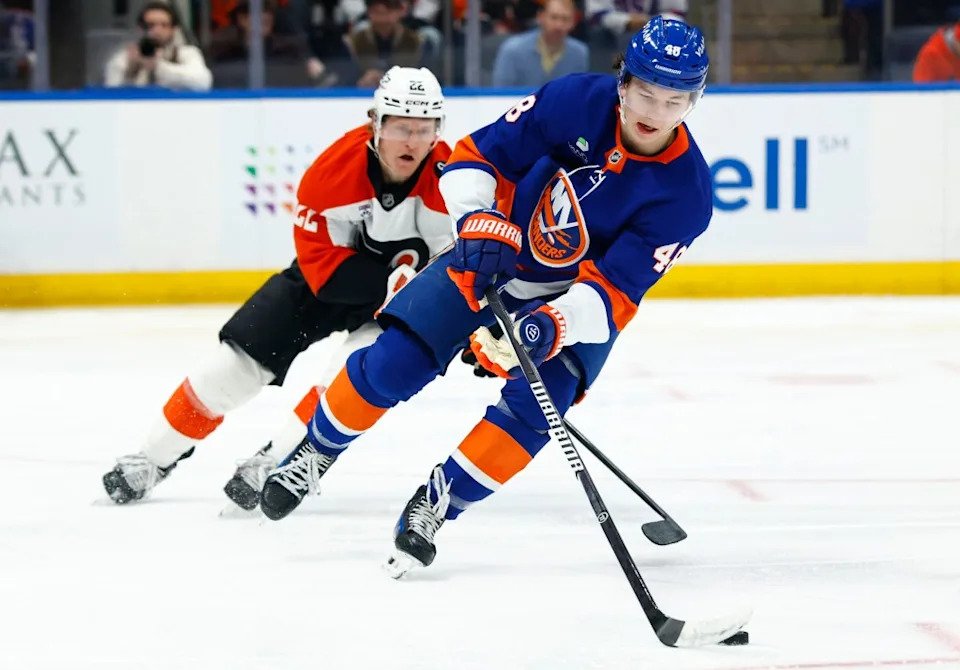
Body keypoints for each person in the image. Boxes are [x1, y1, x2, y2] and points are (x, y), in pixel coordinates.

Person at [260, 16, 713, 578]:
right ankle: (316, 450)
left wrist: (550, 324)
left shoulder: (686, 194)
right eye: (645, 91)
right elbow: (477, 155)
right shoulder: (573, 99)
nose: (654, 112)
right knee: (394, 361)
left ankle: (439, 502)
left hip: (572, 302)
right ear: (623, 81)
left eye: (674, 100)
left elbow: (615, 292)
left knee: (534, 411)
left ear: (694, 100)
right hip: (494, 253)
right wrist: (477, 219)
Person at [102, 66, 454, 508]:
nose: (412, 142)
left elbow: (457, 265)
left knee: (347, 385)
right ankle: (154, 456)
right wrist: (391, 280)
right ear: (376, 124)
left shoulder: (452, 179)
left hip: (398, 304)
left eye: (425, 130)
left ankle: (277, 460)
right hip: (327, 282)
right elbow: (323, 268)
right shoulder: (330, 175)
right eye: (402, 128)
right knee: (232, 367)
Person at [104, 1, 212, 91]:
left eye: (164, 25)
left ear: (173, 29)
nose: (157, 31)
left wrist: (159, 67)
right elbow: (110, 90)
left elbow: (203, 82)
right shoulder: (127, 56)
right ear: (140, 28)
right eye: (151, 25)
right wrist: (131, 70)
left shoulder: (187, 53)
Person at [491, 0, 588, 88]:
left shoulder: (579, 53)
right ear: (541, 17)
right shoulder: (512, 50)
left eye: (565, 19)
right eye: (554, 17)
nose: (559, 25)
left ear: (573, 22)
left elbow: (577, 94)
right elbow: (500, 95)